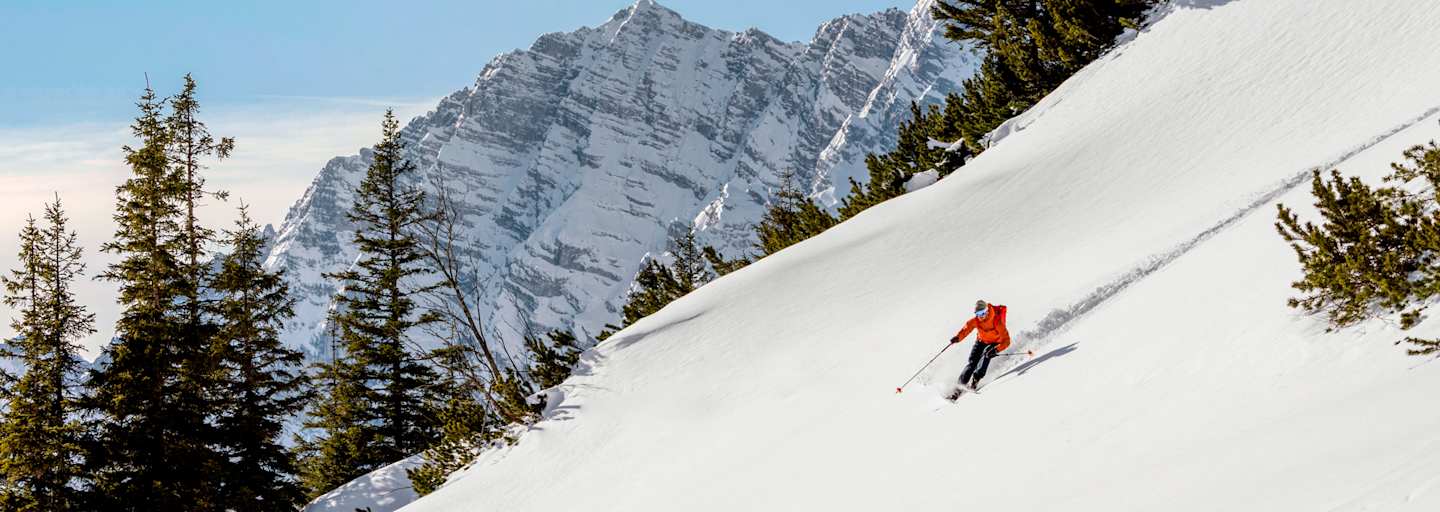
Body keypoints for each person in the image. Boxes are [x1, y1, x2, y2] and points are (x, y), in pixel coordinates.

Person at [949, 300, 1010, 397]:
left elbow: (1006, 340)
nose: (980, 316)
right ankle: (959, 386)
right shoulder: (976, 320)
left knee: (987, 353)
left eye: (982, 313)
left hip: (995, 342)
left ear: (987, 311)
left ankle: (975, 379)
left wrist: (996, 350)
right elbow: (966, 329)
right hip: (981, 341)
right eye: (977, 314)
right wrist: (957, 338)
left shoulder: (996, 321)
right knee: (972, 362)